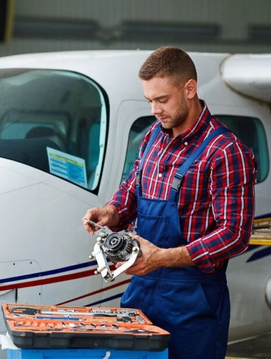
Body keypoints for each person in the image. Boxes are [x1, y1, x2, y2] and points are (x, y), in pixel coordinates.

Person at [82, 46, 257, 359]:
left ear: (189, 89)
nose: (154, 109)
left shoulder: (226, 151)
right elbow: (133, 187)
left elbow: (234, 234)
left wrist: (163, 258)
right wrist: (111, 211)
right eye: (150, 100)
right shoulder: (152, 137)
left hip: (193, 302)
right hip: (142, 292)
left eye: (162, 100)